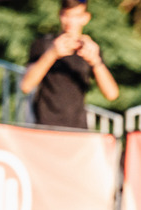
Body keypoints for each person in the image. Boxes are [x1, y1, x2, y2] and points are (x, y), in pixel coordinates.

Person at [20, 0, 119, 129]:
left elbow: (112, 94)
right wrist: (52, 54)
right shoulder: (44, 45)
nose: (70, 22)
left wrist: (95, 61)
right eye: (67, 15)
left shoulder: (90, 48)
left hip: (78, 128)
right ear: (60, 15)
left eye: (76, 16)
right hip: (45, 127)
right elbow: (26, 86)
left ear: (86, 18)